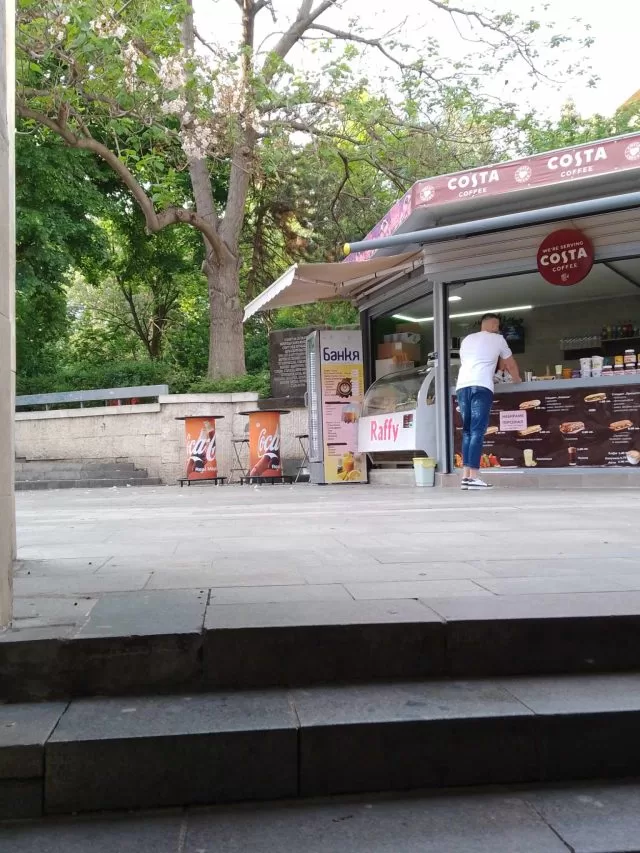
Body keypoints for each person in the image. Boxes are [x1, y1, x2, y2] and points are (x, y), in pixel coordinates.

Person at [456, 313, 521, 490]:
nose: (498, 328)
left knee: (468, 431)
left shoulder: (467, 340)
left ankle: (466, 477)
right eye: (497, 325)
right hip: (481, 387)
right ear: (491, 324)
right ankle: (474, 477)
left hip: (462, 387)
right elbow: (510, 364)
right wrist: (517, 380)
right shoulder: (498, 339)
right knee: (477, 431)